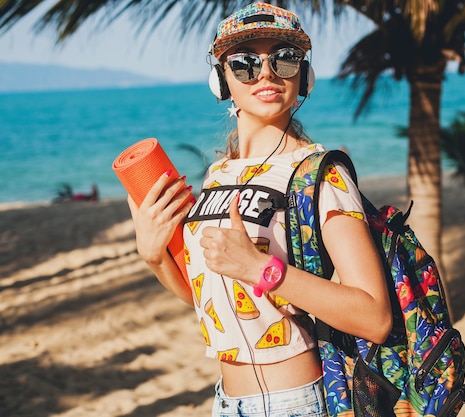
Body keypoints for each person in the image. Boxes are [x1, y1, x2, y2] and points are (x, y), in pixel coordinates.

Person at [127, 3, 391, 416]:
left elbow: (374, 316)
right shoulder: (218, 175)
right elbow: (213, 303)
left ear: (303, 75)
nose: (266, 73)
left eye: (284, 59)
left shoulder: (320, 173)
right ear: (221, 79)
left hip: (292, 402)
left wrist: (261, 269)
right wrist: (153, 256)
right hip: (226, 402)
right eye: (245, 63)